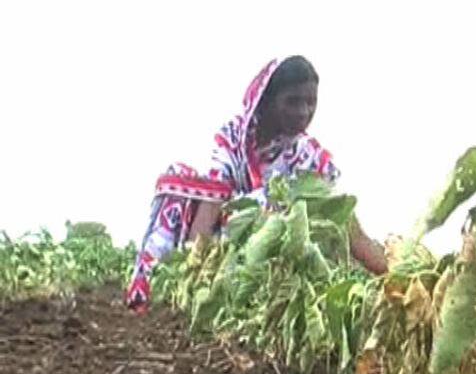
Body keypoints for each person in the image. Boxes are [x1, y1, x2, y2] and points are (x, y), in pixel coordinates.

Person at [126, 56, 387, 313]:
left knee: (308, 221)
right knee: (178, 183)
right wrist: (196, 271)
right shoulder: (233, 138)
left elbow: (350, 229)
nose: (303, 113)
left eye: (310, 102)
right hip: (225, 246)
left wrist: (398, 275)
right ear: (268, 102)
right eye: (292, 102)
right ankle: (156, 287)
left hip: (271, 261)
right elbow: (208, 212)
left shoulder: (309, 157)